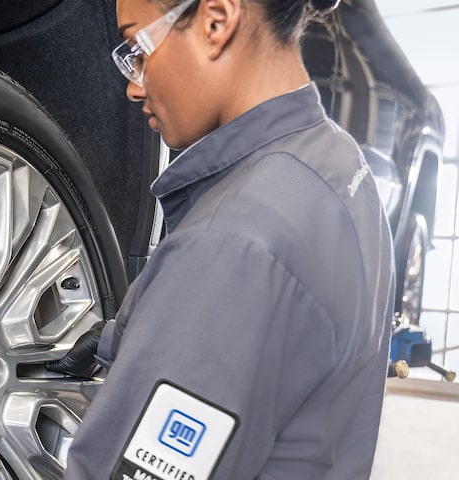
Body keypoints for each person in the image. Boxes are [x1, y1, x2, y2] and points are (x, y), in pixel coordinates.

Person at [47, 0, 395, 478]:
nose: (132, 85)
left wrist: (184, 315)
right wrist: (136, 335)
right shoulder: (337, 163)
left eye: (138, 48)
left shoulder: (231, 247)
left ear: (216, 21)